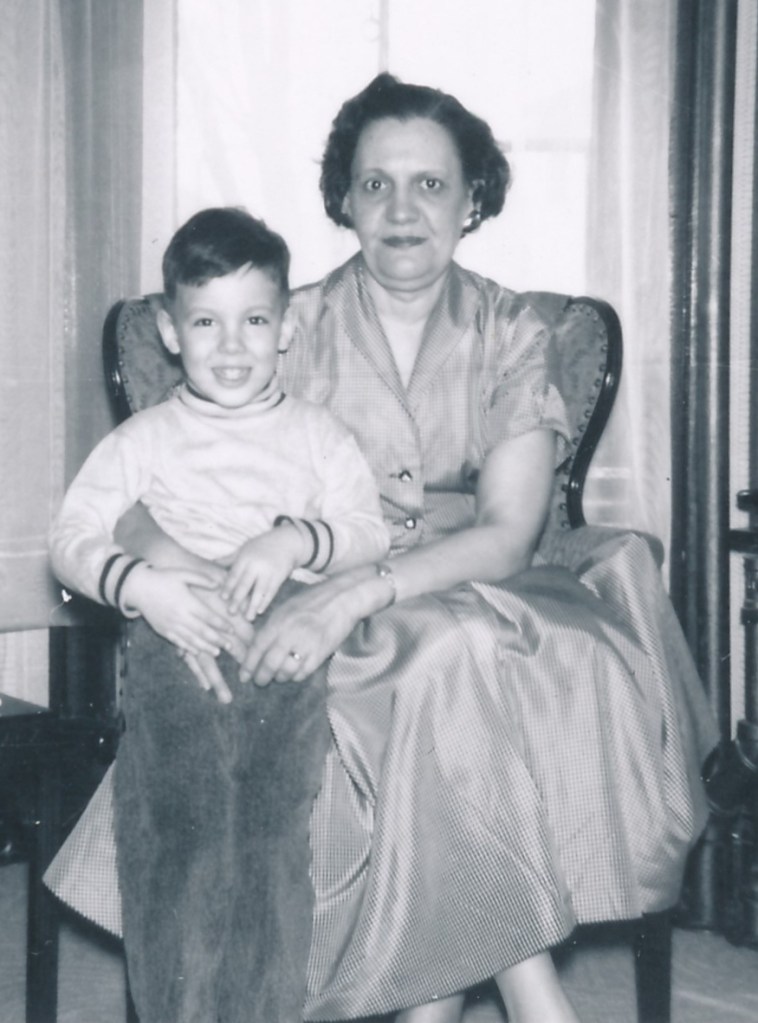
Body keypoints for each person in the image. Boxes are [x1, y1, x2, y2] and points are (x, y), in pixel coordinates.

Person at [46, 75, 718, 1023]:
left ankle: (472, 991)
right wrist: (186, 576)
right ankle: (488, 992)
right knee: (422, 667)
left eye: (431, 184)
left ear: (473, 198)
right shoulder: (277, 322)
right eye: (376, 184)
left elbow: (509, 533)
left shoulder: (513, 331)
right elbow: (152, 481)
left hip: (489, 585)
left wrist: (357, 592)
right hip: (317, 586)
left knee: (449, 649)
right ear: (345, 199)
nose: (403, 210)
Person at [48, 206, 390, 1023]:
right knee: (180, 834)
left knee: (271, 842)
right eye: (206, 321)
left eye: (254, 320)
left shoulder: (319, 435)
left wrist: (293, 539)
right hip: (177, 635)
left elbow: (369, 530)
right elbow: (69, 540)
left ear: (286, 328)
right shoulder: (145, 438)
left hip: (282, 640)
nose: (232, 345)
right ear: (171, 331)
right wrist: (146, 588)